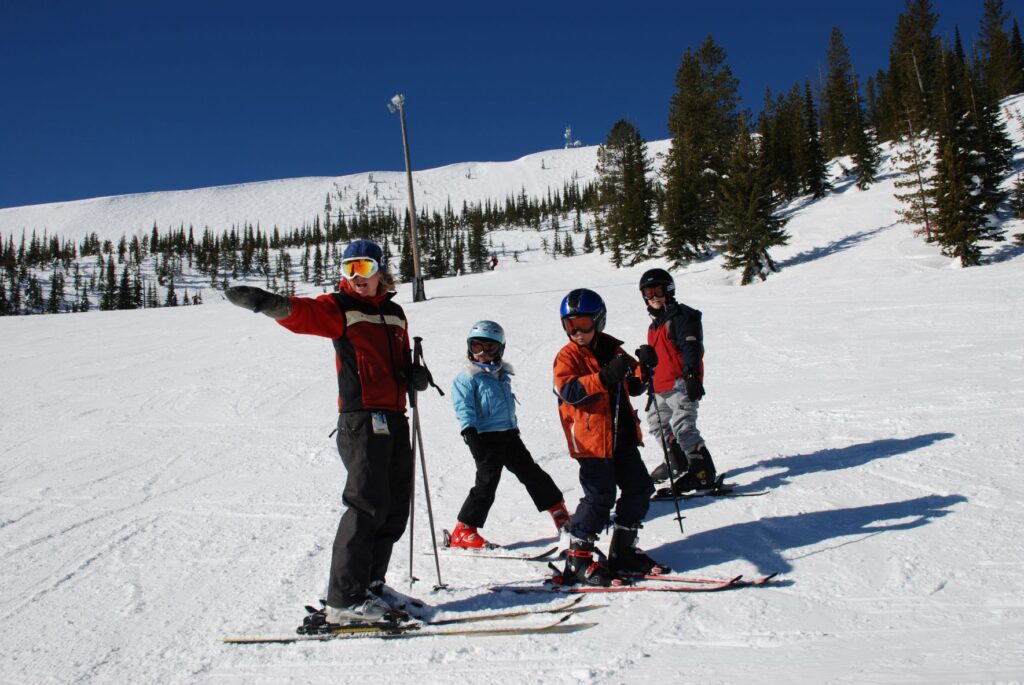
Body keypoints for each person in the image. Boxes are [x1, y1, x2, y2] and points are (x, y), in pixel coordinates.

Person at [224, 239, 426, 624]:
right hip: (361, 420)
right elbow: (304, 314)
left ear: (380, 269)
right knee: (366, 504)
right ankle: (345, 600)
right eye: (349, 268)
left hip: (394, 416)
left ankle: (370, 583)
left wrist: (412, 373)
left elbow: (396, 359)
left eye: (364, 267)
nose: (356, 277)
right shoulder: (340, 307)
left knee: (394, 506)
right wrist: (268, 304)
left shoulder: (397, 313)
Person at [552, 288, 668, 586]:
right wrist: (604, 377)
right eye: (569, 325)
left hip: (622, 437)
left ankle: (622, 552)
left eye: (583, 324)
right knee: (600, 497)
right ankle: (577, 559)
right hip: (592, 441)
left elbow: (633, 384)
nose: (576, 332)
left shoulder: (613, 349)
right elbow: (570, 392)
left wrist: (646, 367)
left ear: (599, 321)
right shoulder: (566, 357)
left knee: (640, 489)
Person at [447, 320, 569, 549]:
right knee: (487, 483)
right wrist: (470, 435)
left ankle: (558, 510)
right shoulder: (467, 378)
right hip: (484, 438)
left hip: (509, 435)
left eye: (489, 348)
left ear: (500, 349)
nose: (482, 353)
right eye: (476, 347)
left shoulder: (501, 375)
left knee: (532, 473)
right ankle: (464, 530)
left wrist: (512, 427)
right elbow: (464, 409)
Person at [639, 268, 718, 492]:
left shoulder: (682, 317)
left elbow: (691, 347)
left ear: (669, 290)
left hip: (679, 383)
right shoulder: (654, 326)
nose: (653, 296)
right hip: (660, 387)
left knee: (684, 427)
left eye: (658, 291)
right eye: (648, 292)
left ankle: (702, 473)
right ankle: (676, 462)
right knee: (657, 425)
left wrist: (692, 375)